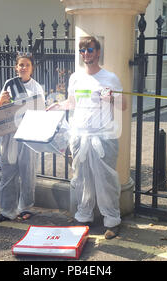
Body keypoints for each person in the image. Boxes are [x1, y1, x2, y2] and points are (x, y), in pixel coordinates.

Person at [47, 36, 126, 239]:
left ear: (98, 52)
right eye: (82, 50)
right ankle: (84, 215)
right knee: (82, 178)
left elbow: (123, 104)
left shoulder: (110, 78)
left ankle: (112, 220)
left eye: (90, 50)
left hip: (103, 137)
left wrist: (112, 98)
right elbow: (72, 103)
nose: (86, 54)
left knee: (105, 180)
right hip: (80, 136)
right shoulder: (75, 78)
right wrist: (58, 105)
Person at [0, 52, 45, 223]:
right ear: (16, 67)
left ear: (32, 69)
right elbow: (0, 110)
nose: (23, 68)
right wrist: (1, 101)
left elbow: (41, 111)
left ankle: (26, 207)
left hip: (29, 134)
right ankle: (7, 210)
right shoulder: (9, 83)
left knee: (27, 172)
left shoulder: (36, 87)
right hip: (11, 134)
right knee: (8, 171)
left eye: (27, 65)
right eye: (21, 65)